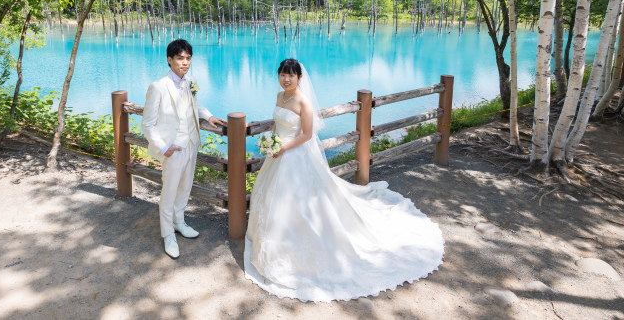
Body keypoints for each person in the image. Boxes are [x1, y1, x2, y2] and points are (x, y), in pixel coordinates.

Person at [244, 58, 445, 302]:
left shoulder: (303, 101)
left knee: (301, 203)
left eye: (291, 75)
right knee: (273, 197)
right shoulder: (279, 96)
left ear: (299, 78)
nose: (286, 79)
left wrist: (284, 147)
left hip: (294, 154)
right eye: (282, 75)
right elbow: (277, 124)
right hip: (278, 153)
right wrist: (272, 141)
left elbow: (307, 134)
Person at [141, 39, 226, 259]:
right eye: (180, 58)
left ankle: (179, 222)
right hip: (172, 147)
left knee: (185, 187)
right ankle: (167, 233)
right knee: (169, 191)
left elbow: (194, 105)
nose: (185, 62)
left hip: (191, 143)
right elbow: (147, 124)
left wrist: (208, 116)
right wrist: (163, 147)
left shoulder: (192, 81)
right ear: (170, 60)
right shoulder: (158, 86)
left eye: (188, 58)